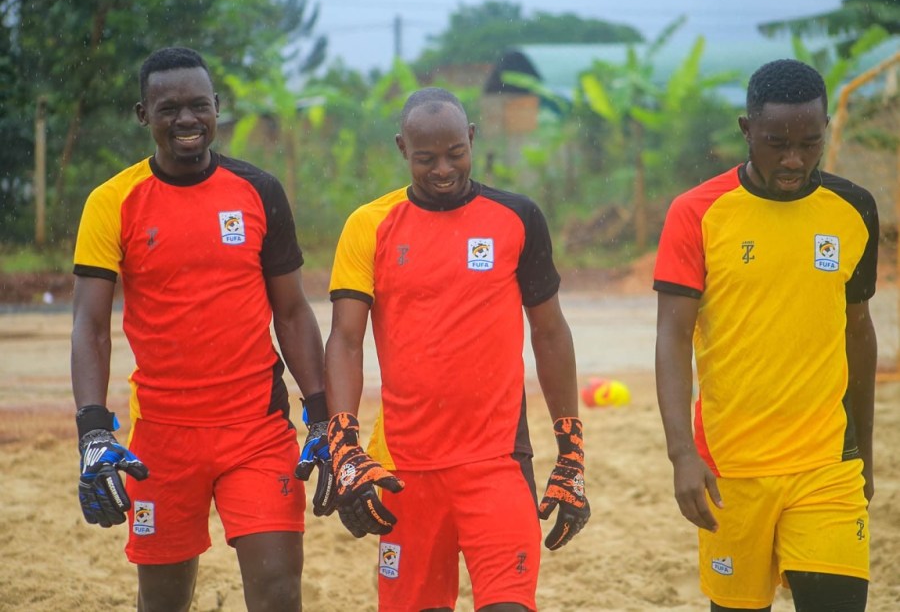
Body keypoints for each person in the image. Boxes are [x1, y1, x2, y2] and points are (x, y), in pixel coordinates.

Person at [71, 46, 332, 612]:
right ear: (143, 114)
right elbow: (90, 325)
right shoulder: (111, 202)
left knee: (280, 591)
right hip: (161, 438)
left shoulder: (258, 190)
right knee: (163, 600)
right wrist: (93, 431)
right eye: (168, 109)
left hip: (256, 430)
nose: (185, 120)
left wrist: (322, 415)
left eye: (197, 106)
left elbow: (292, 311)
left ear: (217, 108)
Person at [321, 87, 590, 611]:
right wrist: (345, 445)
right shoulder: (369, 226)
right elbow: (346, 339)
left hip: (497, 464)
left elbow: (551, 334)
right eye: (426, 159)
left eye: (454, 154)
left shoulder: (517, 217)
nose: (443, 169)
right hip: (405, 471)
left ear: (471, 139)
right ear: (402, 148)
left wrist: (571, 452)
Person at [654, 58, 878, 612]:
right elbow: (672, 339)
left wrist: (865, 457)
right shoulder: (696, 214)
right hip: (732, 469)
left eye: (810, 141)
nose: (794, 159)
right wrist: (682, 453)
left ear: (826, 128)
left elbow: (858, 331)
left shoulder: (853, 209)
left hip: (827, 463)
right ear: (746, 130)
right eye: (777, 142)